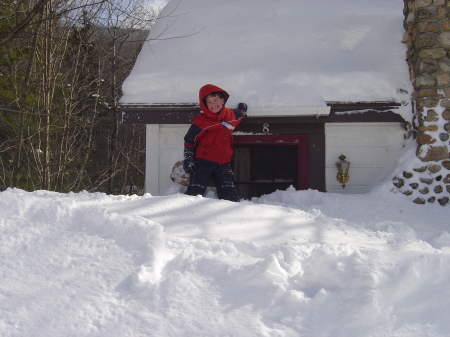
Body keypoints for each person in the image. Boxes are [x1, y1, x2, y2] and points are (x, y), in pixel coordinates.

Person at [183, 84, 247, 202]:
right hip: (203, 162)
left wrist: (242, 111)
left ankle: (234, 216)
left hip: (223, 164)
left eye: (215, 100)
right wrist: (188, 158)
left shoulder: (230, 116)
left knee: (229, 195)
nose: (213, 104)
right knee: (195, 192)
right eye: (209, 102)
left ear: (222, 100)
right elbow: (189, 140)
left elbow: (238, 116)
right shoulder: (201, 121)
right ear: (205, 105)